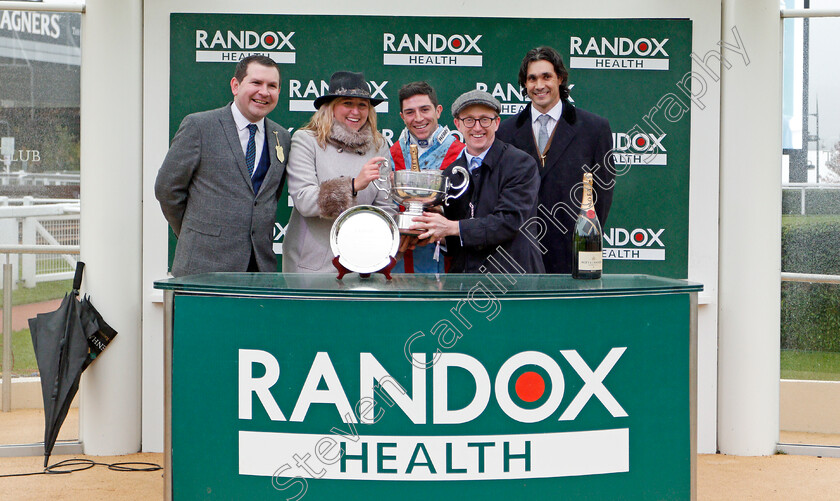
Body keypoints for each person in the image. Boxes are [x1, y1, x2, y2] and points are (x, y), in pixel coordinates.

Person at [155, 55, 290, 277]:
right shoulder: (199, 126)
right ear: (235, 86)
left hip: (259, 272)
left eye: (272, 86)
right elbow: (166, 189)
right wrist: (195, 233)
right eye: (256, 83)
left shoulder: (281, 137)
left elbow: (269, 197)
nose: (264, 92)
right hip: (202, 267)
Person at [497, 46, 614, 274]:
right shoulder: (505, 131)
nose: (539, 85)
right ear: (525, 84)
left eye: (546, 76)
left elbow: (602, 192)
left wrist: (585, 240)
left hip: (572, 252)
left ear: (560, 78)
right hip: (519, 254)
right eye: (532, 78)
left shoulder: (594, 128)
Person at [410, 90, 544, 274]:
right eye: (469, 120)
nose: (477, 127)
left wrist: (451, 227)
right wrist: (432, 226)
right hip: (465, 283)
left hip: (512, 283)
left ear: (496, 123)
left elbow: (508, 222)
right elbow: (454, 231)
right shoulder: (451, 173)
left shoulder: (520, 164)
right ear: (458, 124)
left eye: (484, 119)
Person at [282, 71, 393, 273]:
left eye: (362, 105)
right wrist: (352, 186)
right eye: (347, 103)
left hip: (365, 263)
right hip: (314, 266)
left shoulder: (378, 145)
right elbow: (305, 201)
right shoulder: (306, 140)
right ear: (331, 107)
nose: (356, 111)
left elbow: (386, 206)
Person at [388, 81, 465, 273]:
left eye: (425, 109)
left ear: (438, 111)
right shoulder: (392, 153)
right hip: (401, 261)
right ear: (402, 116)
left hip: (447, 262)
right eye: (410, 112)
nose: (418, 118)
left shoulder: (461, 153)